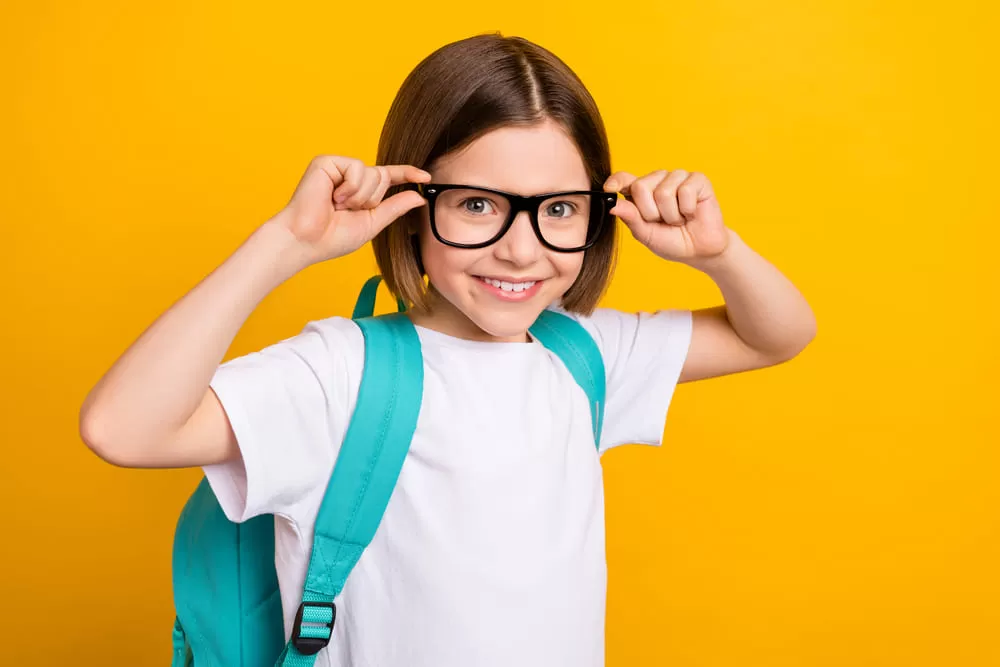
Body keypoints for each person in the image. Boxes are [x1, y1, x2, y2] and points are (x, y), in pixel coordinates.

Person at [80, 33, 816, 667]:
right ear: (411, 209)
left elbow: (778, 332)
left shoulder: (583, 353)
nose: (521, 249)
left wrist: (717, 252)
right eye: (476, 205)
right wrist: (284, 245)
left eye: (558, 209)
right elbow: (123, 427)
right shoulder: (342, 373)